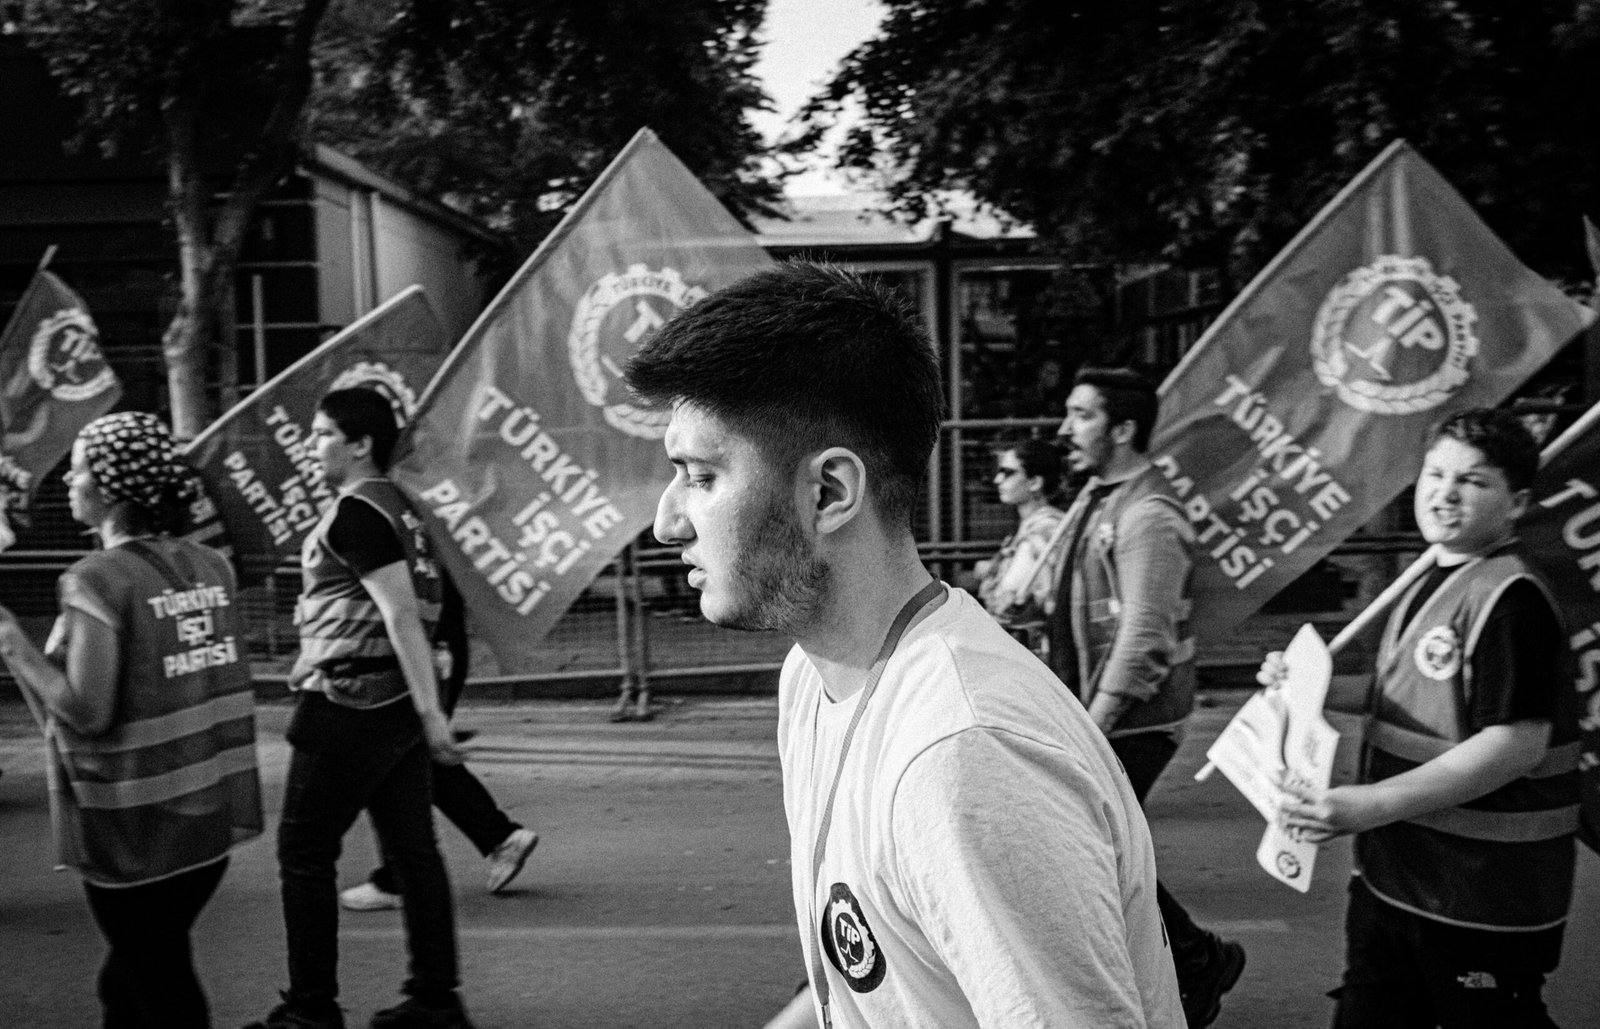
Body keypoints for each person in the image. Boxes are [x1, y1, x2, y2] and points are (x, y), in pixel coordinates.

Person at [627, 261, 1182, 1028]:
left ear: (829, 493)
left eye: (701, 475)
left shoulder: (964, 754)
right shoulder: (813, 676)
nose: (667, 521)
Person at [1263, 408, 1580, 1029]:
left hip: (1481, 893)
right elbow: (1397, 694)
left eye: (1473, 481)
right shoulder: (1433, 577)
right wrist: (1309, 687)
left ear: (1515, 503)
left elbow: (1515, 743)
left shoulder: (1510, 598)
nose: (1444, 493)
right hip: (1399, 876)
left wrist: (1370, 804)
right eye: (1435, 474)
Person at [0, 411, 263, 1029]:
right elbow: (60, 716)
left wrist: (13, 644)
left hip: (137, 831)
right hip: (207, 820)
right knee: (130, 985)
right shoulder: (212, 566)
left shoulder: (95, 579)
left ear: (113, 490)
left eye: (81, 469)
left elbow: (87, 712)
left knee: (159, 985)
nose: (69, 480)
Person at [245, 388, 473, 1029]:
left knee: (304, 853)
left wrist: (434, 717)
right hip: (387, 701)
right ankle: (435, 1001)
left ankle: (310, 1010)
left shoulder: (359, 511)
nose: (311, 445)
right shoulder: (401, 508)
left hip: (352, 702)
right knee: (412, 851)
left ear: (359, 444)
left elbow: (401, 614)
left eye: (321, 434)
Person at [1045, 366, 1246, 1028]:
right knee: (1099, 847)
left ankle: (1193, 959)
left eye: (1081, 415)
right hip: (1092, 710)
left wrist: (1090, 725)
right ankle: (1190, 959)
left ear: (1123, 428)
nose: (1064, 428)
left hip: (1130, 720)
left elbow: (1144, 639)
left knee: (1089, 847)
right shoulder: (1101, 496)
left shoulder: (1148, 513)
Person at [338, 572, 539, 912]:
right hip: (436, 643)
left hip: (418, 647)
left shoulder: (394, 523)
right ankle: (498, 837)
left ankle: (399, 877)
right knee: (414, 754)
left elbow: (400, 607)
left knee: (393, 757)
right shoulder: (428, 526)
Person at [972, 437, 1066, 655]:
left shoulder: (1045, 529)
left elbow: (1010, 600)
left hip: (1036, 654)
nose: (997, 479)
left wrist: (990, 574)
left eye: (1008, 472)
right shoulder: (1029, 529)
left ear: (1034, 482)